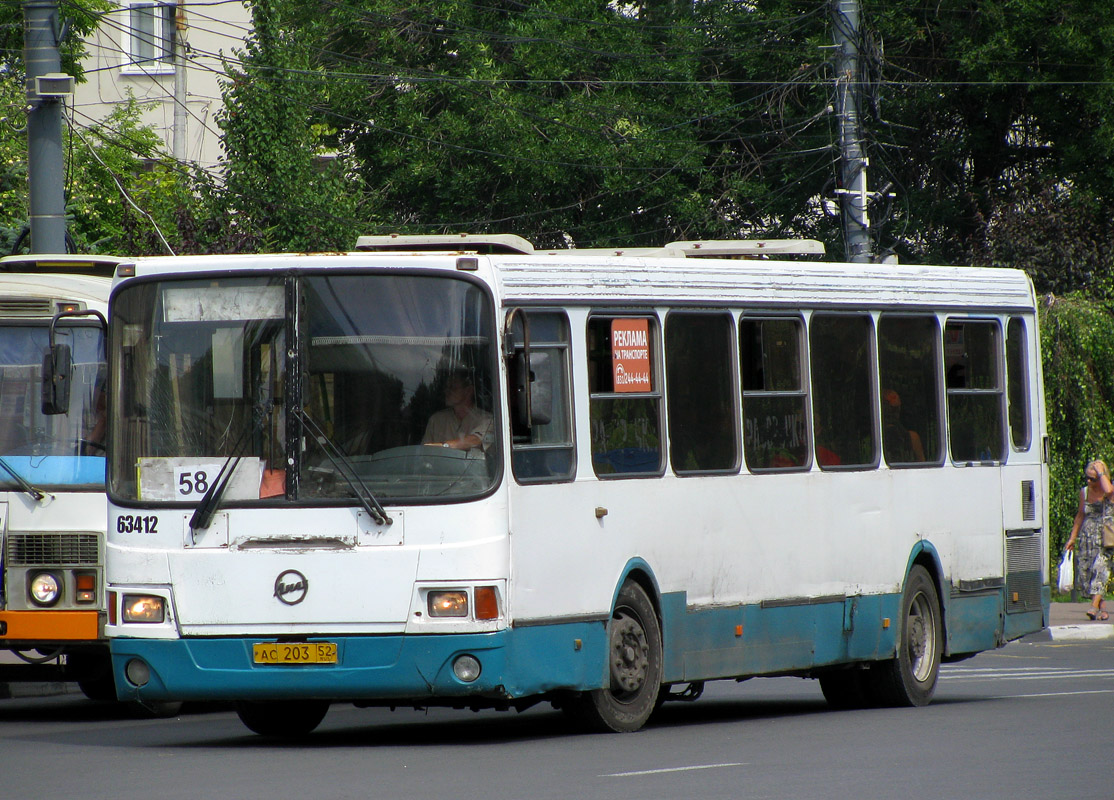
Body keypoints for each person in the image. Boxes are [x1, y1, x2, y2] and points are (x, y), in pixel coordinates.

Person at [1066, 460, 1114, 620]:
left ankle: (1094, 607)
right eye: (1087, 477)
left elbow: (1108, 489)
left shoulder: (1109, 490)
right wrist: (1072, 538)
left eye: (1092, 478)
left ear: (1101, 476)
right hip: (1087, 537)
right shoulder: (1085, 492)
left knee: (1100, 569)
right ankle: (1102, 608)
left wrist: (1101, 474)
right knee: (1086, 575)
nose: (1089, 481)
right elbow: (1080, 515)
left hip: (1106, 537)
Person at [422, 371, 493, 452]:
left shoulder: (487, 420)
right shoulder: (436, 421)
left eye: (452, 387)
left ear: (469, 390)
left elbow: (476, 440)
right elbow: (424, 452)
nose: (446, 391)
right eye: (446, 387)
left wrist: (444, 446)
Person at [882, 389, 925, 463]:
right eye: (889, 409)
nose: (892, 414)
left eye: (895, 410)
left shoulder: (912, 438)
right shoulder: (872, 440)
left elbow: (922, 466)